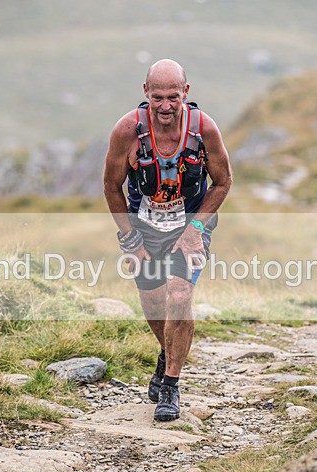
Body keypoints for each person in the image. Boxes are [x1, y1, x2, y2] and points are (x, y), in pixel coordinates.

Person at [103, 59, 233, 421]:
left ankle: (171, 387)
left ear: (185, 94)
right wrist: (130, 240)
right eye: (157, 97)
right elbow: (111, 186)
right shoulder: (127, 130)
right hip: (143, 227)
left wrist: (196, 230)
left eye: (172, 97)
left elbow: (223, 182)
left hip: (189, 226)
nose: (165, 106)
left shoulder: (204, 129)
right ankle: (167, 352)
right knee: (153, 302)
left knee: (179, 294)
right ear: (145, 93)